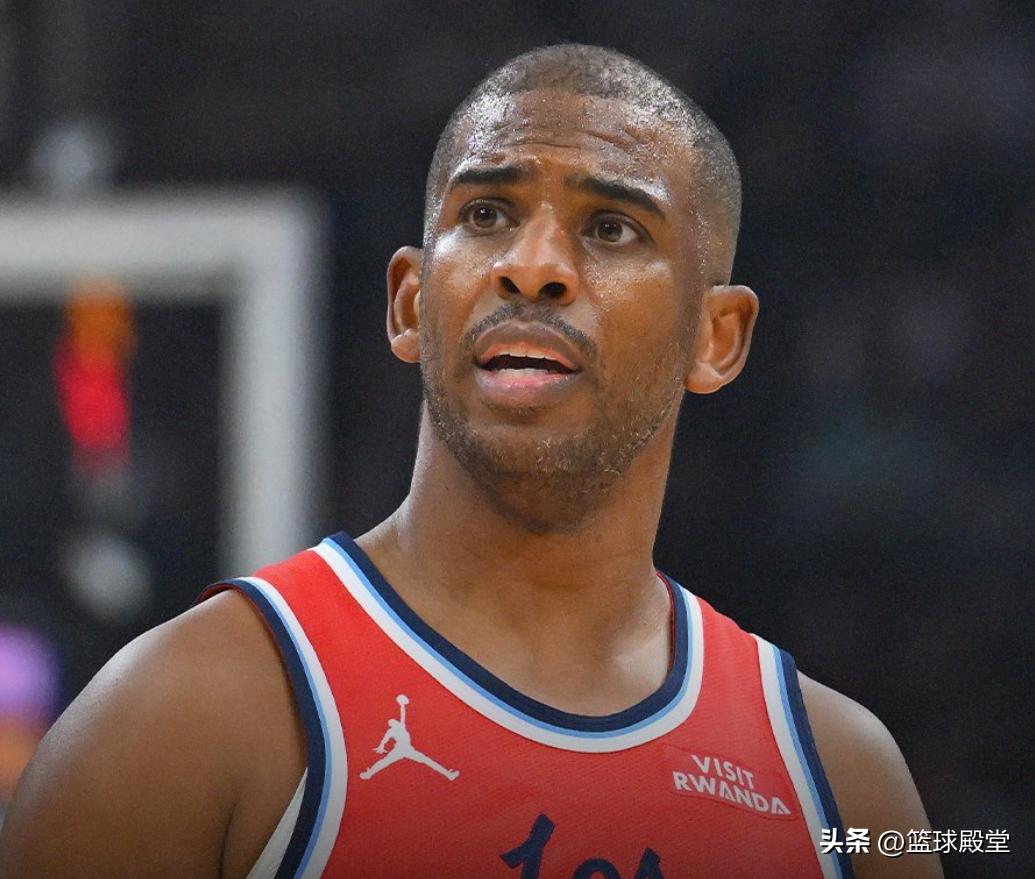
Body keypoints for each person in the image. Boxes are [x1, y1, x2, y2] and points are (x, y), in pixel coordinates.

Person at [0, 44, 942, 879]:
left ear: (717, 336)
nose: (532, 265)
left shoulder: (839, 781)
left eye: (611, 228)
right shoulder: (188, 713)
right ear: (410, 302)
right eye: (487, 213)